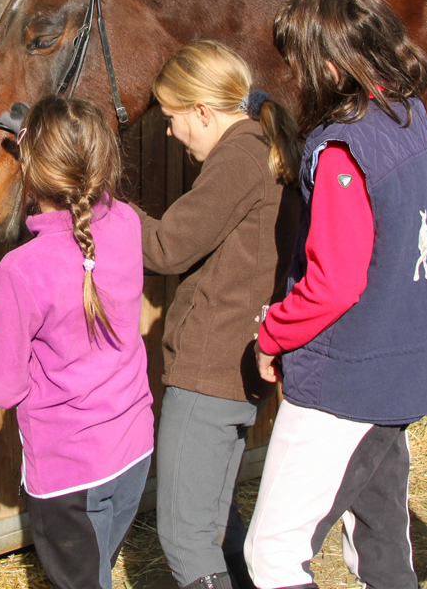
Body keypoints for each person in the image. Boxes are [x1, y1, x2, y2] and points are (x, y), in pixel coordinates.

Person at [243, 0, 427, 589]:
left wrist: (273, 335)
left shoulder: (342, 151)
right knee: (383, 543)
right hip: (404, 374)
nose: (295, 77)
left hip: (346, 385)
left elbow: (333, 284)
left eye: (301, 64)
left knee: (273, 556)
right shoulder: (410, 117)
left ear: (331, 65)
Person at [135, 41, 301, 589]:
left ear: (203, 112)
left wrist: (100, 202)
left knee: (185, 539)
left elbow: (165, 248)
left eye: (171, 118)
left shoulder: (239, 156)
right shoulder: (262, 147)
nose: (168, 132)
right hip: (234, 371)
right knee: (216, 525)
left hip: (209, 373)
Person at [0, 97, 155, 589]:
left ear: (29, 170)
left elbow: (3, 387)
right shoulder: (128, 223)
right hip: (133, 449)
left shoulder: (19, 270)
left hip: (70, 472)